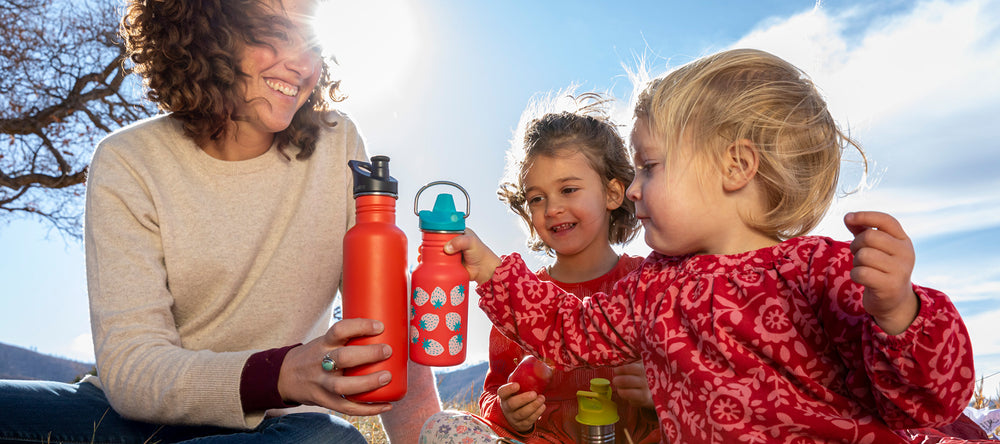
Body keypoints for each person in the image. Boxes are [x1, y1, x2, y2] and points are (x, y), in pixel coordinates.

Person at [447, 49, 981, 443]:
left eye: (649, 167)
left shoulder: (817, 269)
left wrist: (900, 313)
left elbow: (928, 399)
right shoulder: (651, 288)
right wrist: (493, 271)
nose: (633, 189)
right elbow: (572, 331)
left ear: (735, 166)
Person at [0, 0, 439, 442]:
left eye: (311, 42)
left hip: (276, 427)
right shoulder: (128, 162)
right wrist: (278, 374)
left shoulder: (337, 142)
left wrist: (424, 436)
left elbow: (390, 317)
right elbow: (133, 366)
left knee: (330, 440)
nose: (302, 64)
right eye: (273, 32)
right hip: (132, 422)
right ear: (204, 30)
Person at [419, 92, 659, 443]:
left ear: (612, 194)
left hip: (632, 438)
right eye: (537, 198)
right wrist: (508, 413)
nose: (552, 209)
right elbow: (493, 390)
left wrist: (659, 395)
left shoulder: (650, 282)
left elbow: (698, 380)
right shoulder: (517, 298)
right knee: (441, 428)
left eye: (569, 189)